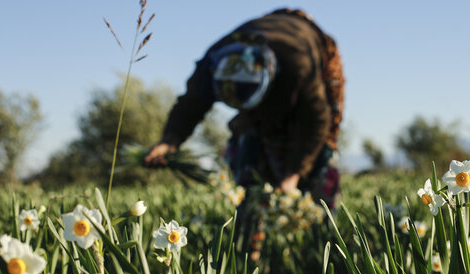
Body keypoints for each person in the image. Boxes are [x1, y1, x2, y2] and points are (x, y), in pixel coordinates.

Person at [144, 8, 344, 209]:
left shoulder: (299, 66)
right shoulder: (213, 62)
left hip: (309, 47)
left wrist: (293, 175)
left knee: (322, 148)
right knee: (249, 137)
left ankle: (320, 221)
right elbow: (191, 103)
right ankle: (250, 215)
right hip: (268, 68)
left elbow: (317, 121)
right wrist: (170, 140)